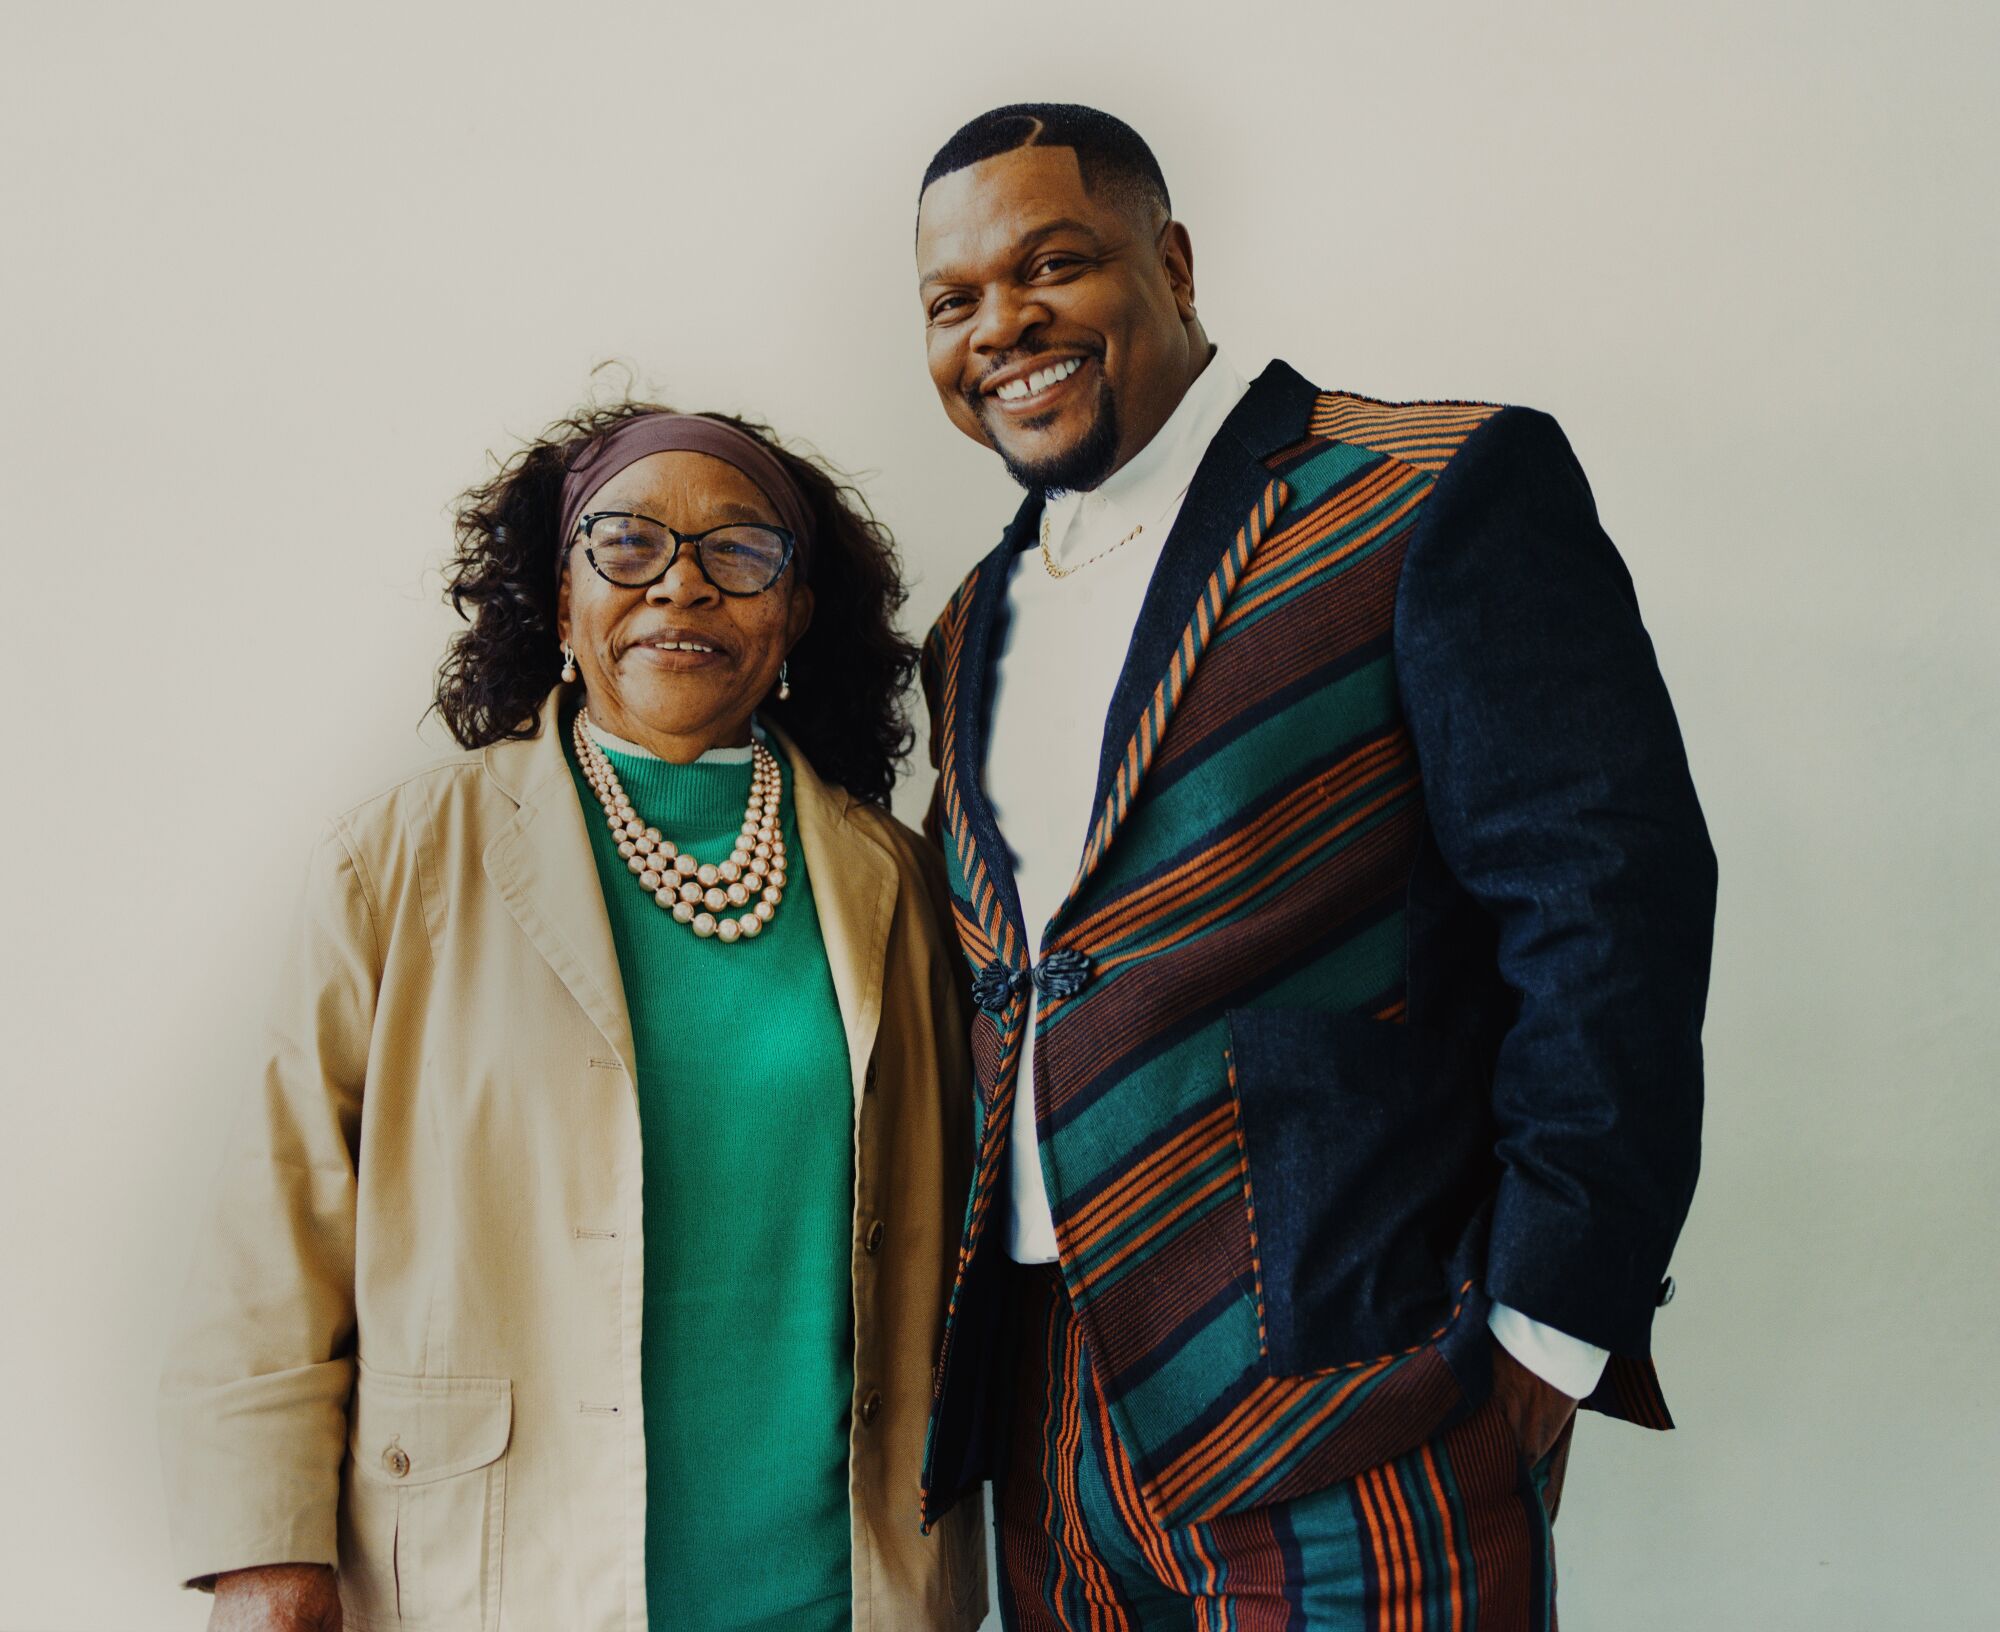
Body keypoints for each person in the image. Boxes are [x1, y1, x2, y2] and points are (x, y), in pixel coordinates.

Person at [910, 103, 1717, 1629]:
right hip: (1047, 1405)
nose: (1000, 326)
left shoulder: (1428, 490)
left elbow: (1606, 910)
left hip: (1357, 1387)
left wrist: (1547, 1327)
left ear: (1175, 260)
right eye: (952, 302)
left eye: (1052, 265)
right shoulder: (969, 623)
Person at [158, 403, 987, 1631]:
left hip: (837, 1587)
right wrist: (265, 1561)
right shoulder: (402, 863)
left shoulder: (896, 883)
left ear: (797, 612)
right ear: (558, 601)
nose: (683, 587)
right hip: (495, 1574)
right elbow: (275, 1234)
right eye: (627, 545)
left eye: (741, 553)